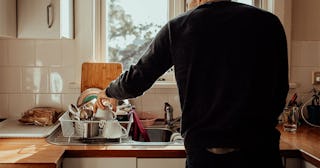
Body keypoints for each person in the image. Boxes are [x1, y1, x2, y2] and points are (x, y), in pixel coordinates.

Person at [95, 0, 289, 167]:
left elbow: (136, 81)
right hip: (259, 152)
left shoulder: (179, 27)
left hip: (206, 155)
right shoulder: (268, 23)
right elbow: (280, 91)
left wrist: (108, 92)